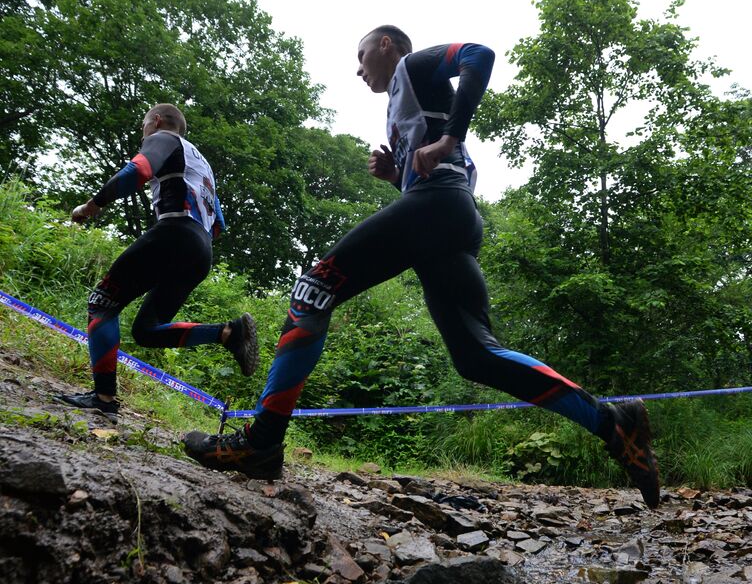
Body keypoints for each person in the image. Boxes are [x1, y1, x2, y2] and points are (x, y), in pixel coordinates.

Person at [184, 28, 659, 508]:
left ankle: (261, 443)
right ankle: (612, 423)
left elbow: (480, 54)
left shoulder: (412, 66)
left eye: (362, 53)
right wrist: (400, 175)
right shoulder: (406, 101)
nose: (358, 67)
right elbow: (436, 174)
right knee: (476, 356)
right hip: (452, 217)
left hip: (439, 207)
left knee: (313, 290)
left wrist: (451, 135)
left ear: (387, 45)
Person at [57, 103, 257, 420]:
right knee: (146, 331)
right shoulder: (202, 164)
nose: (143, 136)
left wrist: (91, 206)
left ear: (157, 121)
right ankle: (228, 333)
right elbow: (218, 223)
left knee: (102, 303)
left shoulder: (164, 137)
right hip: (201, 249)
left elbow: (138, 171)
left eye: (143, 128)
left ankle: (104, 398)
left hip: (175, 232)